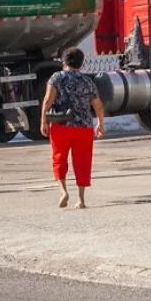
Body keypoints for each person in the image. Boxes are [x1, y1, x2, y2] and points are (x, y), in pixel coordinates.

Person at [40, 48, 105, 208]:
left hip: (61, 125)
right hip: (83, 128)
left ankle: (63, 191)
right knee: (82, 161)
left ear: (64, 61)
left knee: (59, 158)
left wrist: (43, 120)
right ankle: (81, 200)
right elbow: (97, 104)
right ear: (81, 64)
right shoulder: (87, 81)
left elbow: (48, 100)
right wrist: (100, 123)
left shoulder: (56, 78)